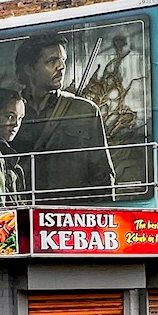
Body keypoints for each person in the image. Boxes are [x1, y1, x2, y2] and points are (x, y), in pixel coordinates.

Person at [10, 32, 115, 202]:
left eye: (63, 60)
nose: (61, 67)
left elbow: (103, 176)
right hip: (22, 217)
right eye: (52, 61)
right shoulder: (8, 112)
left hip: (69, 219)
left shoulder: (84, 111)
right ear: (29, 69)